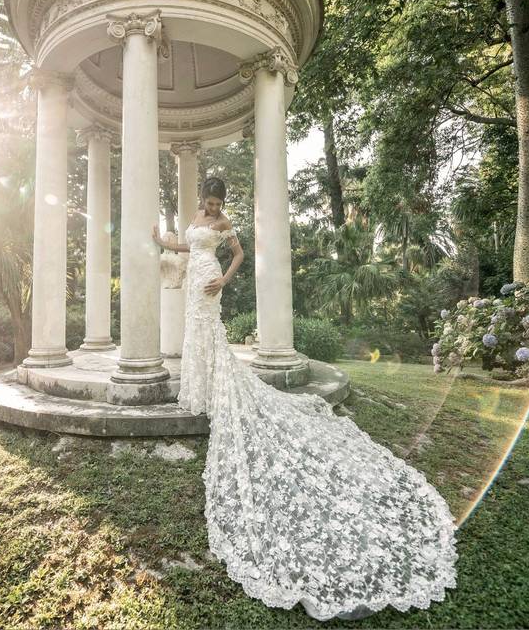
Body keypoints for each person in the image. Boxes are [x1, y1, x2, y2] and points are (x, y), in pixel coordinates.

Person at [151, 176, 458, 621]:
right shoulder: (196, 218)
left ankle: (217, 386)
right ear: (202, 199)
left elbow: (237, 253)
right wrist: (162, 240)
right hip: (195, 277)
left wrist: (226, 280)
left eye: (219, 204)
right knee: (196, 335)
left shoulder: (227, 222)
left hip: (211, 283)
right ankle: (200, 387)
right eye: (211, 202)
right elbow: (188, 248)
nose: (214, 208)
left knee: (209, 333)